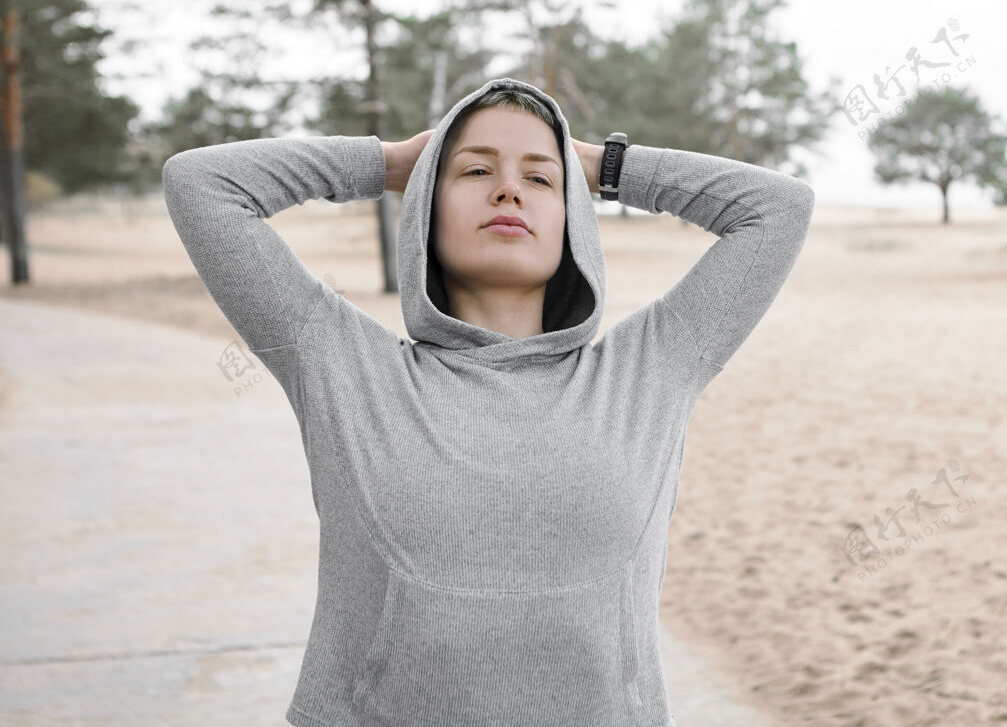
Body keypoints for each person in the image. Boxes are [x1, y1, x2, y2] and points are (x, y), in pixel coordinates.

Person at [162, 77, 815, 727]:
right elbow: (204, 185)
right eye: (475, 171)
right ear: (426, 204)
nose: (508, 189)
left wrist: (597, 166)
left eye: (540, 180)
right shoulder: (341, 363)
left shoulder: (651, 367)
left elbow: (776, 208)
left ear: (574, 216)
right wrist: (395, 164)